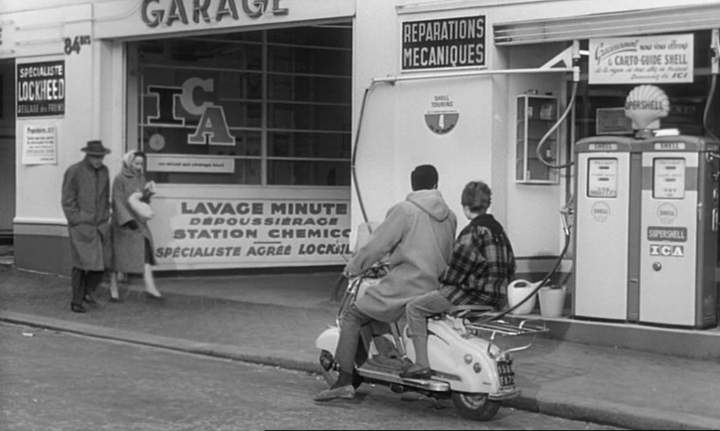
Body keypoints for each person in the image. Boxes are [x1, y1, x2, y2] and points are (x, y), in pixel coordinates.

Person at [314, 164, 457, 401]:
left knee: (353, 314)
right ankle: (392, 362)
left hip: (405, 285)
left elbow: (378, 245)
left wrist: (354, 266)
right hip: (434, 287)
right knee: (377, 315)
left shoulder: (405, 210)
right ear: (435, 185)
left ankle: (343, 382)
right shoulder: (450, 216)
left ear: (412, 186)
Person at [400, 180, 516, 378]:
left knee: (415, 308)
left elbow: (456, 273)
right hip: (497, 297)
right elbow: (512, 267)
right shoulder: (499, 231)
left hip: (472, 296)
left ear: (465, 207)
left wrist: (438, 275)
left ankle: (420, 364)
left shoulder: (472, 232)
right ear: (487, 204)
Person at [61, 140, 113, 313]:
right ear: (88, 155)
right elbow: (67, 199)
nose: (99, 160)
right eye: (95, 157)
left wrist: (106, 216)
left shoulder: (105, 171)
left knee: (101, 266)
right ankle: (76, 301)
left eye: (101, 157)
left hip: (99, 226)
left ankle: (86, 293)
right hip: (81, 227)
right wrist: (76, 219)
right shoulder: (74, 171)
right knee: (81, 264)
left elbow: (106, 197)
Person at [108, 150, 162, 301]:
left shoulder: (141, 177)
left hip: (138, 222)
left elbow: (142, 201)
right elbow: (117, 200)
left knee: (145, 252)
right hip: (123, 225)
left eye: (141, 164)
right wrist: (126, 219)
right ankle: (113, 287)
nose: (138, 167)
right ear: (128, 162)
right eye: (136, 163)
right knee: (117, 257)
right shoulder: (119, 179)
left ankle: (150, 286)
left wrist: (148, 194)